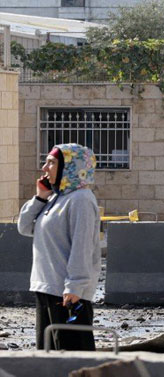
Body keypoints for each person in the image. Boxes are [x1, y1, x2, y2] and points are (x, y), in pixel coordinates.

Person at [18, 143, 101, 351]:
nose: (44, 168)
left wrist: (75, 286)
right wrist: (39, 197)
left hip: (68, 294)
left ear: (70, 166)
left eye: (52, 162)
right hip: (46, 287)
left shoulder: (81, 199)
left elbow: (82, 245)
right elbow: (25, 227)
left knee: (73, 358)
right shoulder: (55, 197)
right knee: (49, 357)